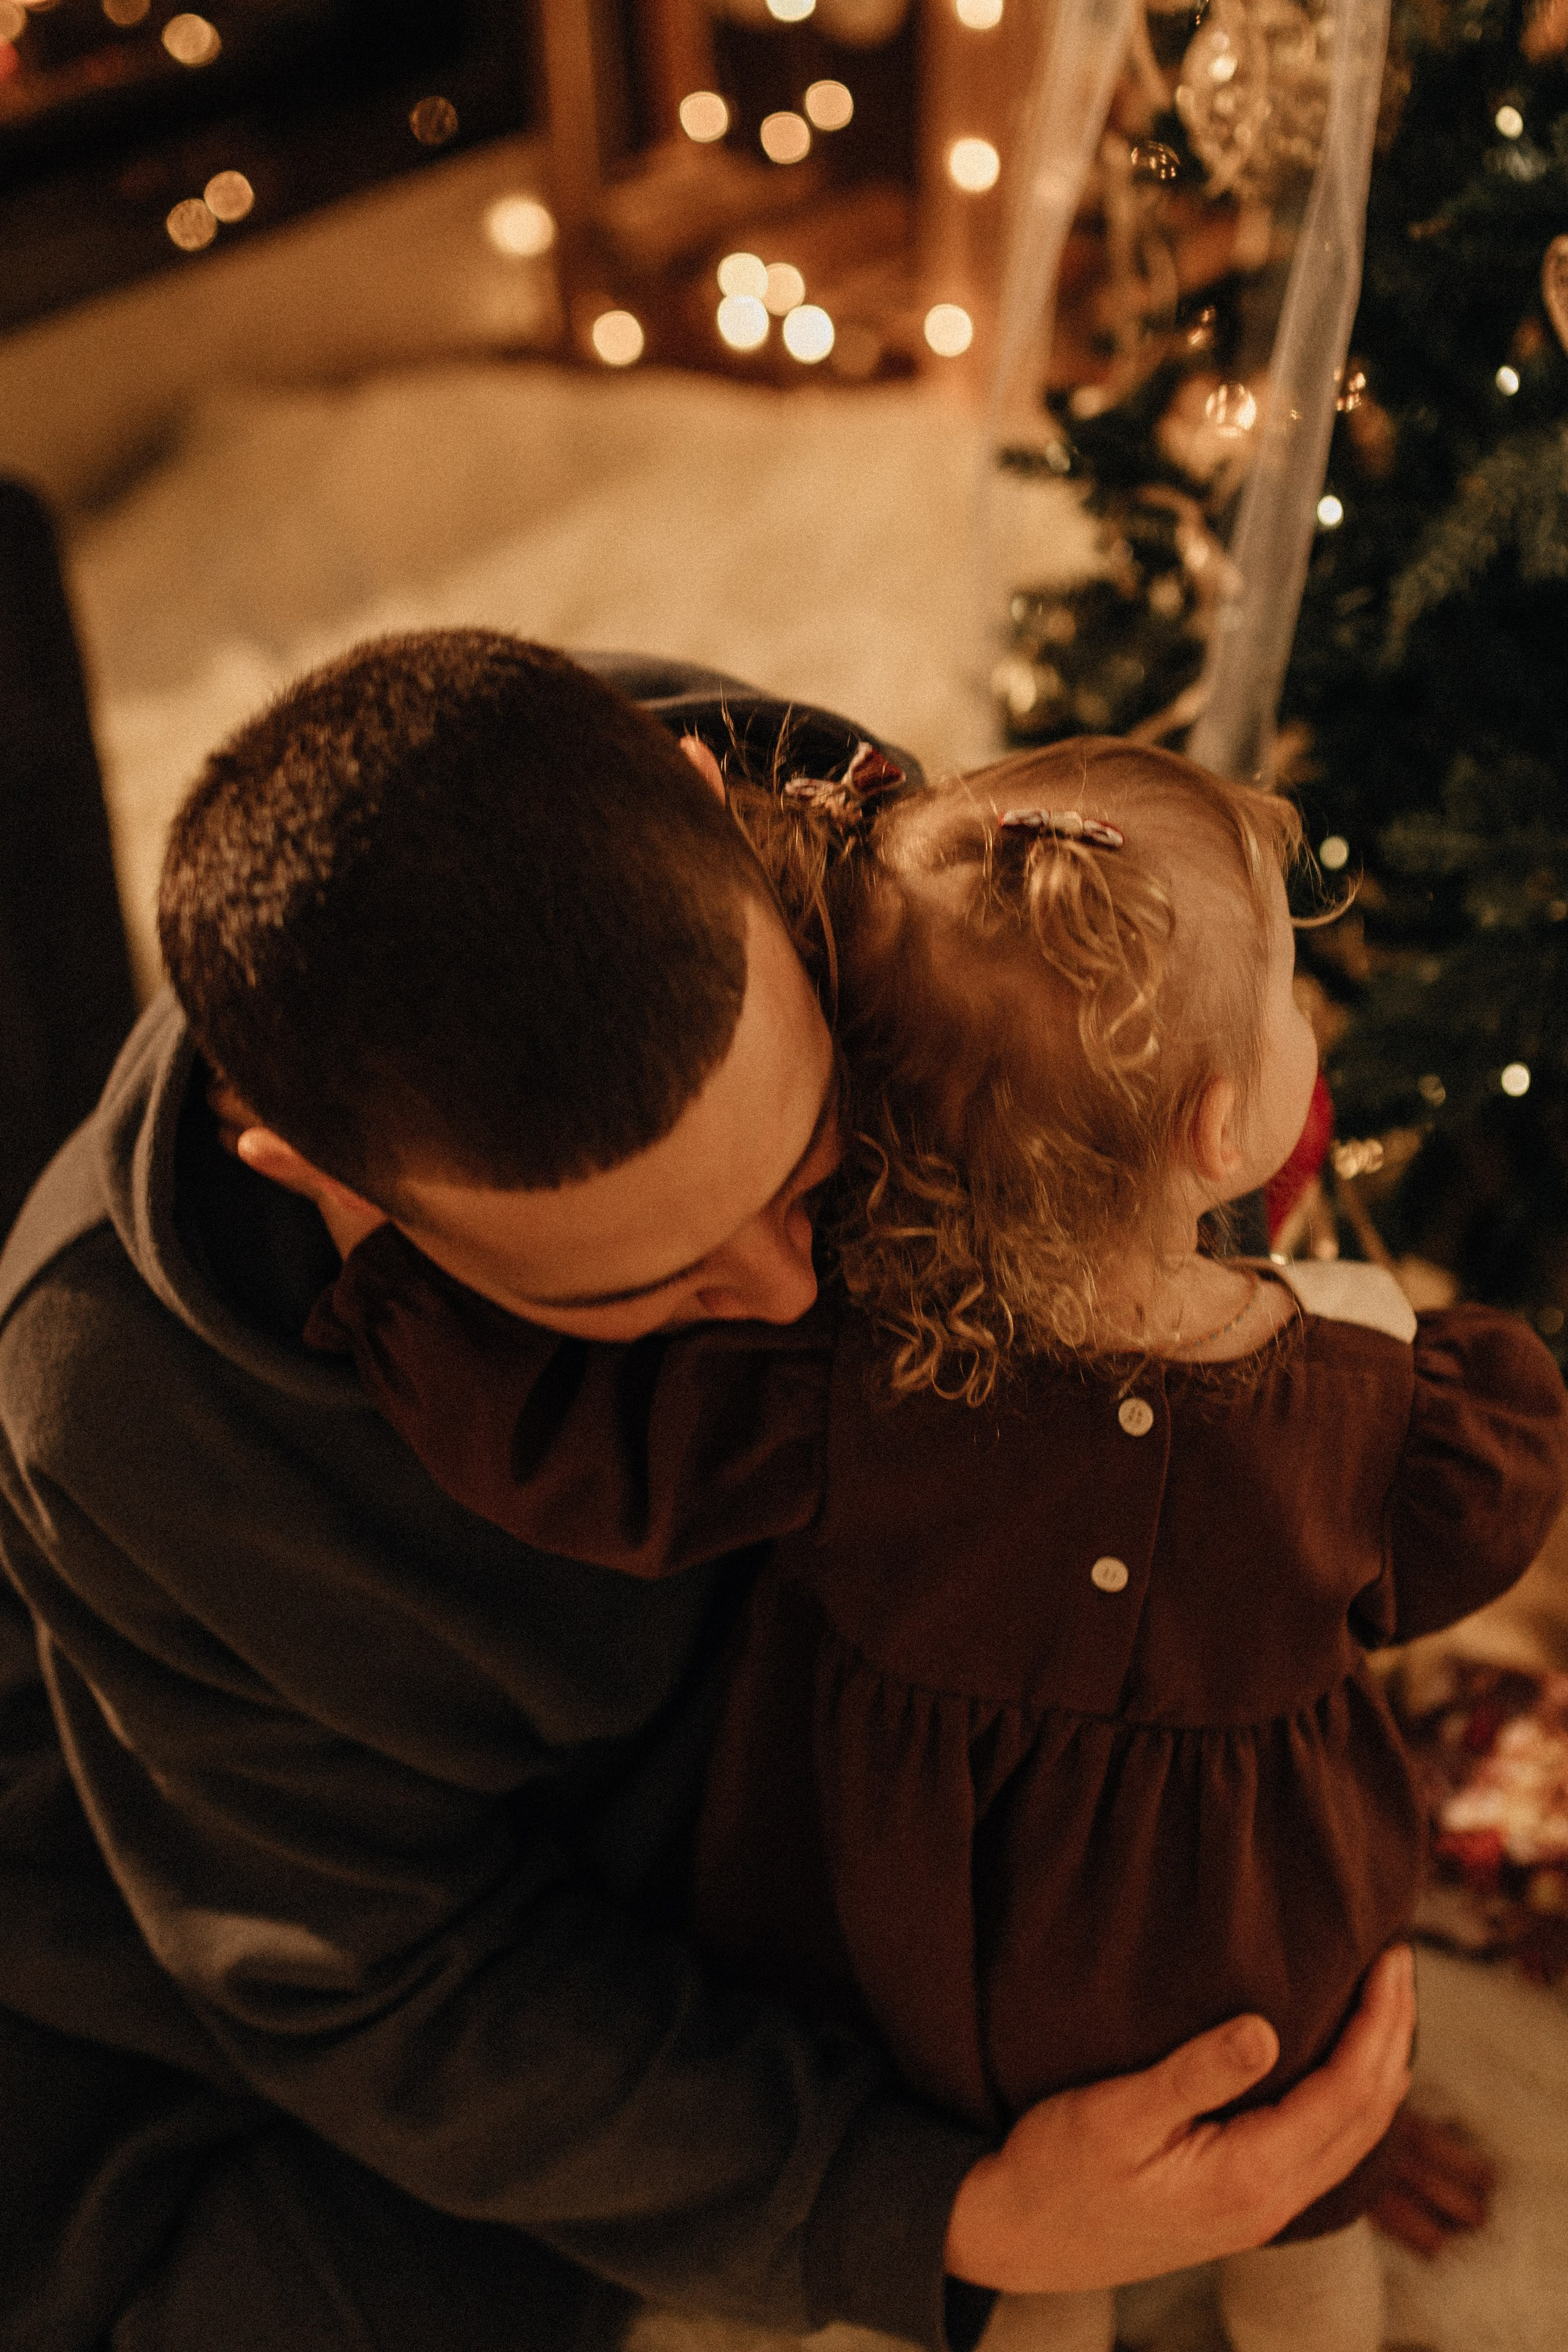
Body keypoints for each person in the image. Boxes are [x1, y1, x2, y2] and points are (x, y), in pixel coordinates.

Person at [0, 634, 1419, 2352]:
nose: (785, 1293)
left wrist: (1237, 1949)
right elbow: (381, 1976)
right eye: (645, 1288)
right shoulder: (124, 1415)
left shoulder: (903, 881)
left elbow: (1170, 1277)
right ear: (313, 1177)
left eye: (812, 1163)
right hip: (559, 1893)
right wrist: (944, 2213)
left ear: (719, 819)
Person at [298, 731, 1568, 2351]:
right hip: (1273, 1953)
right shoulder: (1380, 1393)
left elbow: (586, 1459)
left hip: (932, 1955)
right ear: (1227, 1119)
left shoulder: (844, 1376)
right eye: (1288, 999)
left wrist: (391, 1262)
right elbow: (1466, 1545)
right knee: (1301, 2244)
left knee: (1034, 2288)